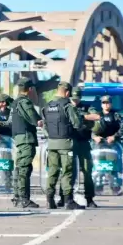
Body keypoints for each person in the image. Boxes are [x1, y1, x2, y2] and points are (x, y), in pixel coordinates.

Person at [42, 81, 85, 210]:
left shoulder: (47, 106)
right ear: (67, 93)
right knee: (67, 172)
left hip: (52, 143)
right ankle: (68, 201)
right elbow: (77, 124)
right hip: (66, 144)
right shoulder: (67, 106)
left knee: (52, 171)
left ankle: (49, 200)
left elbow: (44, 125)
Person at [56, 87, 99, 208]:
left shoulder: (86, 106)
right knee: (68, 171)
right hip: (69, 141)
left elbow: (96, 116)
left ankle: (89, 198)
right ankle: (63, 197)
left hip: (83, 142)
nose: (75, 101)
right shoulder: (66, 106)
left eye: (77, 98)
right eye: (73, 99)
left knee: (87, 171)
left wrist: (79, 116)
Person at [8, 77, 43, 208]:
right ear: (29, 89)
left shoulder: (15, 102)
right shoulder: (24, 102)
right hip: (26, 138)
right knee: (25, 168)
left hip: (19, 138)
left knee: (20, 167)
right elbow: (34, 118)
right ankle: (24, 198)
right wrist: (40, 122)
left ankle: (17, 196)